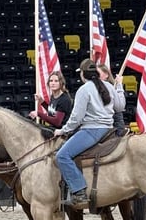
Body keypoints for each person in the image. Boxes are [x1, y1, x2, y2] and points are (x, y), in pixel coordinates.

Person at [53, 58, 126, 206]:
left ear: (83, 75)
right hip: (108, 129)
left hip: (92, 130)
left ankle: (79, 191)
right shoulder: (108, 86)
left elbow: (76, 118)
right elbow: (120, 107)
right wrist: (119, 87)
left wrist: (63, 130)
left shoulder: (84, 90)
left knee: (62, 156)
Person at [96, 63, 128, 137]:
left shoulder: (113, 87)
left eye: (98, 73)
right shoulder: (93, 88)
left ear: (106, 75)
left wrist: (119, 85)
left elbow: (120, 106)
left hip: (115, 123)